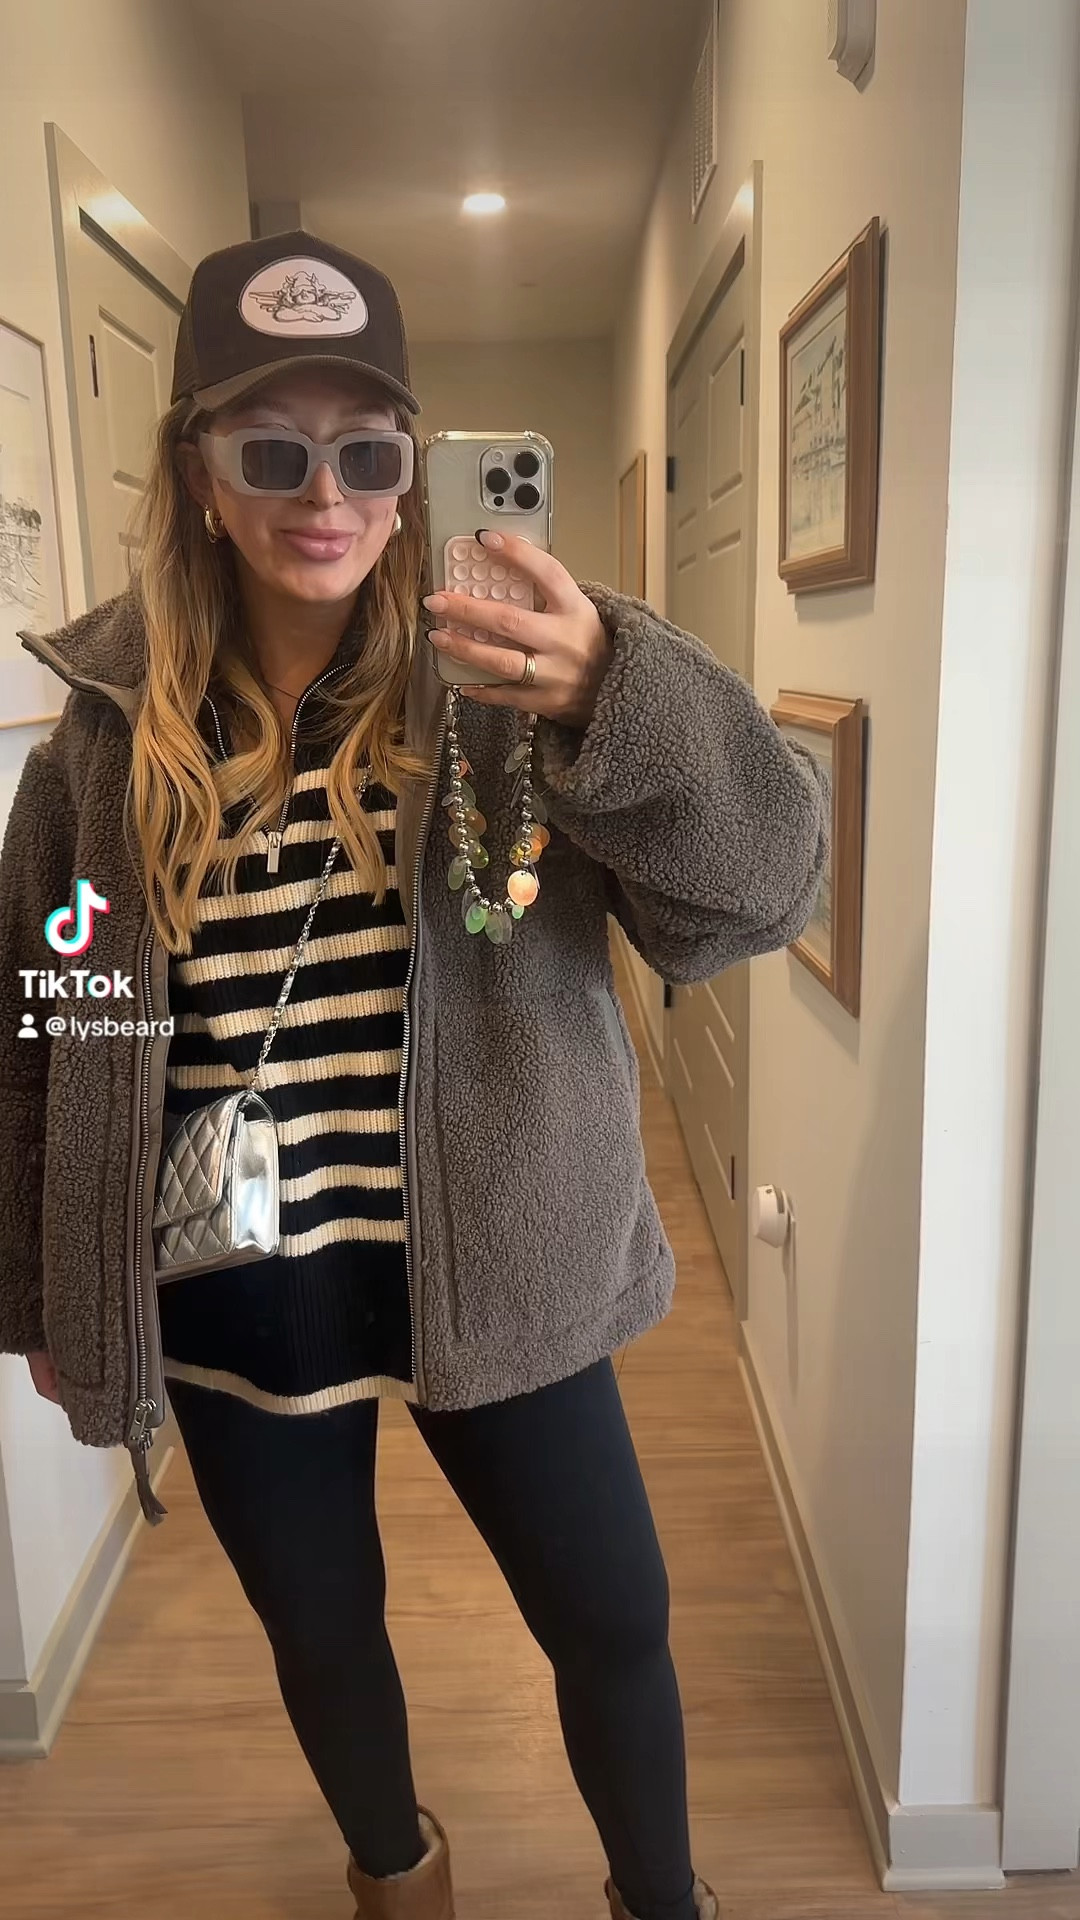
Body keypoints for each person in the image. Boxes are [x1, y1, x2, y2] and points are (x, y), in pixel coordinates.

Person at [0, 231, 828, 1920]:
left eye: (367, 453)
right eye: (270, 449)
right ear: (199, 475)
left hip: (506, 1267)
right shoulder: (99, 750)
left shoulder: (515, 689)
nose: (325, 495)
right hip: (240, 1283)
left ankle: (662, 1902)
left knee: (614, 1619)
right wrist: (45, 1282)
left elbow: (764, 893)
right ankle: (396, 1881)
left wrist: (618, 692)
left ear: (412, 474)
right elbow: (55, 1012)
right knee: (321, 1631)